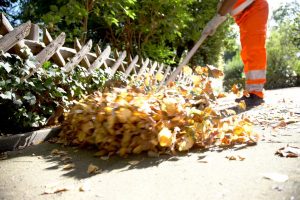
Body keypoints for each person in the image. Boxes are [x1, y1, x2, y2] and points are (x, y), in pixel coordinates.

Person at [202, 0, 269, 107]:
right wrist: (216, 19)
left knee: (254, 49)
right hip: (242, 15)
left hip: (255, 7)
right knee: (247, 51)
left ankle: (256, 93)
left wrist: (216, 19)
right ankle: (252, 92)